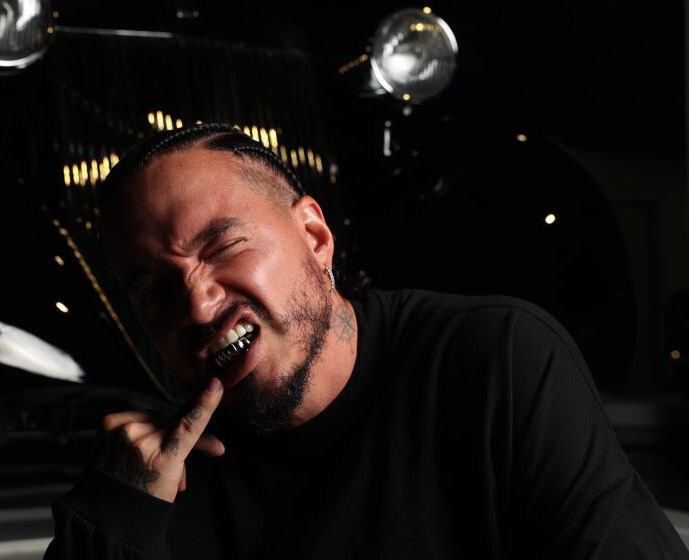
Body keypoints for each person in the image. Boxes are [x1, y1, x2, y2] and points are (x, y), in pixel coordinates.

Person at [45, 123, 688, 559]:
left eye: (224, 244)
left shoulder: (496, 360)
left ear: (316, 240)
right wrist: (117, 518)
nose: (198, 303)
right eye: (155, 291)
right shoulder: (163, 481)